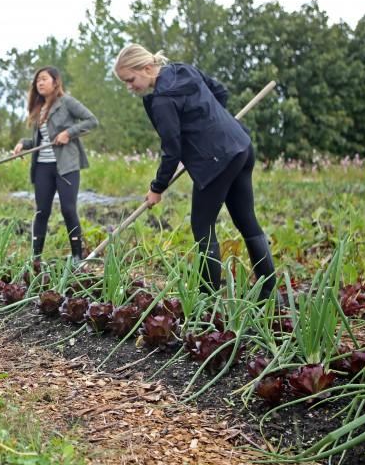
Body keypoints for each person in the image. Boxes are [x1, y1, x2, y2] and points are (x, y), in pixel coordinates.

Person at [113, 43, 276, 300]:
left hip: (216, 161)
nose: (129, 86)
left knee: (202, 226)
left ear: (146, 68)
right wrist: (216, 123)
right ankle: (269, 293)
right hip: (240, 146)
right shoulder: (182, 69)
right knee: (246, 220)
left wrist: (157, 188)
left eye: (130, 80)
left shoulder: (162, 100)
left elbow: (172, 149)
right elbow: (219, 92)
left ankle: (207, 298)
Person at [13, 67, 98, 263]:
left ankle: (77, 256)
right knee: (41, 210)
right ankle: (35, 258)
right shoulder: (38, 108)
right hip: (43, 166)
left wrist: (69, 133)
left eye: (43, 79)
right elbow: (40, 140)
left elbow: (91, 121)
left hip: (66, 165)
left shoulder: (66, 102)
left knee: (68, 209)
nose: (39, 83)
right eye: (37, 81)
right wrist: (23, 144)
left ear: (55, 82)